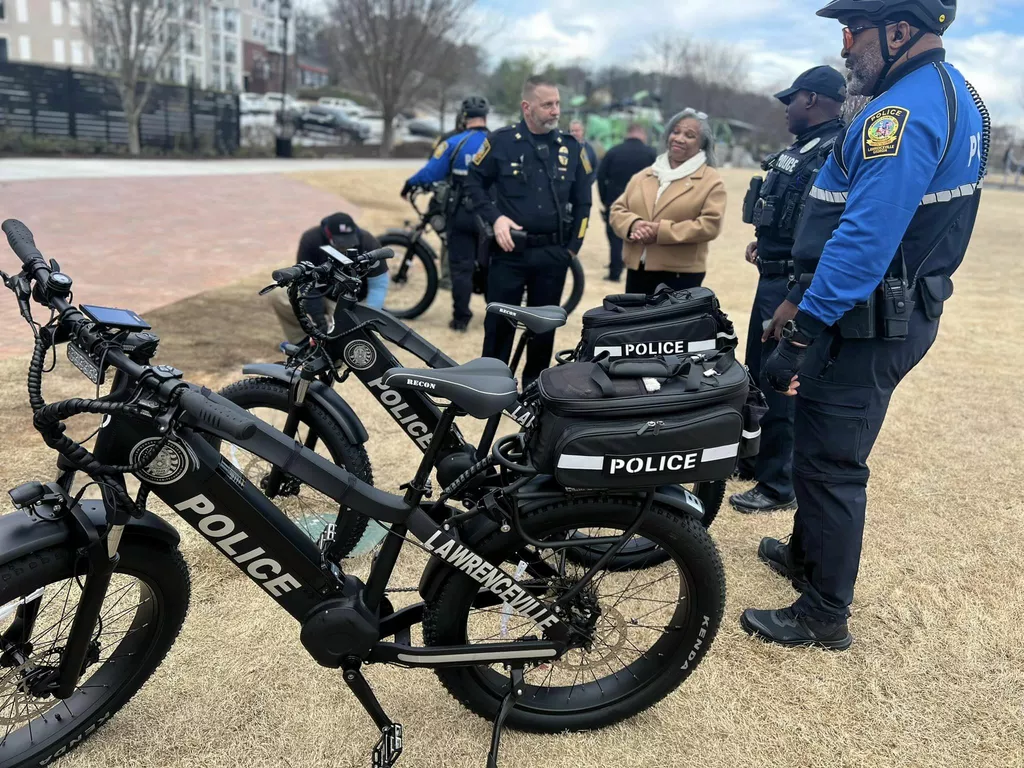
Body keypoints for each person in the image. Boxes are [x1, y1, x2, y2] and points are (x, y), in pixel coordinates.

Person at [741, 0, 987, 650]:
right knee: (819, 438)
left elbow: (864, 239)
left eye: (852, 32)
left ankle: (824, 612)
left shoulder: (899, 114)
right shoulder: (954, 93)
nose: (845, 48)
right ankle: (805, 555)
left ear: (899, 31)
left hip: (867, 320)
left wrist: (801, 331)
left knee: (831, 460)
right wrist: (798, 295)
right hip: (882, 311)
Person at [730, 66, 847, 512]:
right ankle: (756, 461)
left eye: (791, 100)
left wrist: (796, 295)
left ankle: (778, 485)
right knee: (757, 373)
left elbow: (824, 233)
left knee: (782, 382)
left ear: (812, 99)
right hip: (773, 276)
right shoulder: (804, 149)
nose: (786, 109)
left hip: (792, 288)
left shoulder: (833, 152)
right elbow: (792, 214)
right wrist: (766, 241)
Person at [464, 76, 592, 389]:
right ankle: (489, 385)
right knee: (498, 325)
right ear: (527, 107)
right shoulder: (502, 141)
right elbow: (472, 184)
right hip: (509, 252)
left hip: (552, 254)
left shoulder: (572, 147)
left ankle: (534, 390)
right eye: (548, 104)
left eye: (557, 104)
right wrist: (495, 219)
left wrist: (573, 246)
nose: (555, 111)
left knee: (543, 329)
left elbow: (584, 201)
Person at [608, 108, 726, 295]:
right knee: (635, 324)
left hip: (680, 275)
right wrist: (634, 225)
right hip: (637, 269)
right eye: (675, 131)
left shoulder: (711, 180)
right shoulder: (644, 175)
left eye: (689, 135)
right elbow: (617, 210)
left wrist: (660, 232)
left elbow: (710, 225)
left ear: (702, 144)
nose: (679, 138)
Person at [401, 96, 491, 332]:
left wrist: (410, 183)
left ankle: (461, 319)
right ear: (486, 117)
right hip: (491, 214)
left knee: (461, 268)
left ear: (463, 117)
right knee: (494, 264)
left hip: (461, 211)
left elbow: (431, 172)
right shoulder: (498, 142)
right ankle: (497, 314)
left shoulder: (454, 143)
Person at [270, 212, 389, 347]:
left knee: (343, 343)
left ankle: (332, 347)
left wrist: (367, 318)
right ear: (328, 235)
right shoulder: (311, 239)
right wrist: (319, 320)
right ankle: (302, 343)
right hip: (321, 293)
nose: (345, 246)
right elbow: (307, 282)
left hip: (354, 300)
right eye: (341, 243)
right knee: (278, 293)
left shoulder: (368, 241)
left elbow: (379, 285)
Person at [596, 123, 657, 282]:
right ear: (642, 134)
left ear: (627, 134)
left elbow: (601, 177)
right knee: (642, 236)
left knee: (616, 238)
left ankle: (615, 273)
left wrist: (605, 200)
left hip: (616, 201)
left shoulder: (613, 152)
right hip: (643, 203)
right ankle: (640, 272)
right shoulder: (651, 154)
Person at [570, 119, 598, 186]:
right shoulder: (566, 148)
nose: (574, 133)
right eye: (572, 131)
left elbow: (592, 168)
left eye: (577, 131)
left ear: (582, 131)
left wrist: (590, 182)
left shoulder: (588, 149)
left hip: (585, 186)